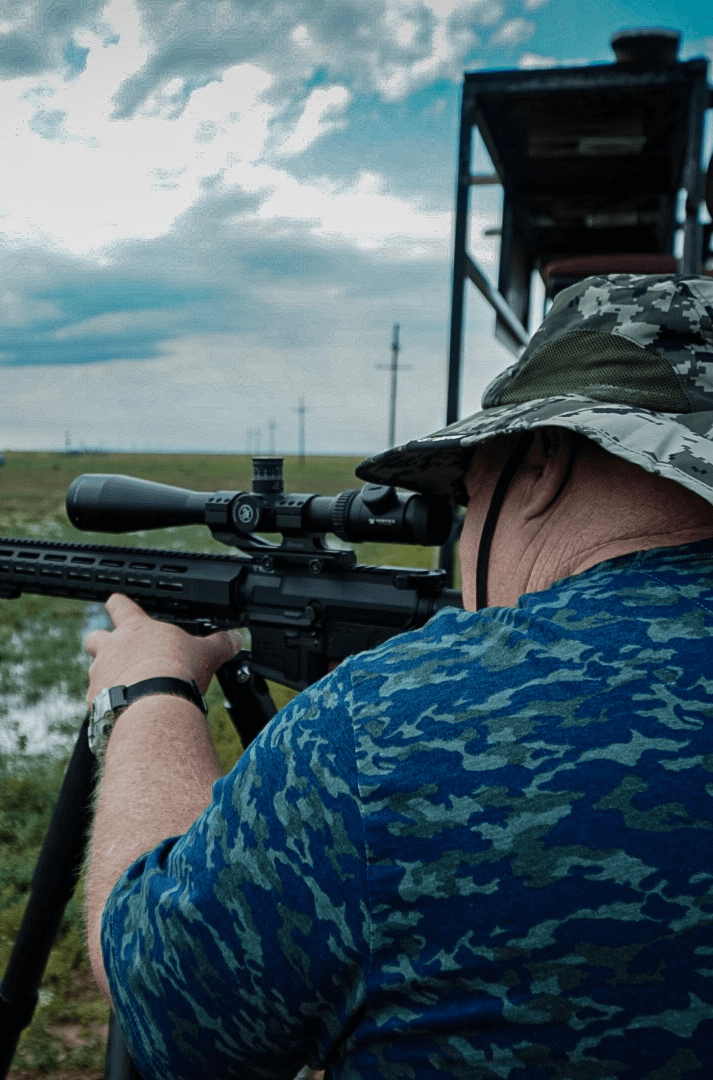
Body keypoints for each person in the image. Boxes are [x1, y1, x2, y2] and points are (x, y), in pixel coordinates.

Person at [82, 274, 713, 1079]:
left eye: (469, 497)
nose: (462, 538)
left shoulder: (374, 730)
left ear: (545, 460)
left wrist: (147, 693)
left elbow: (162, 995)